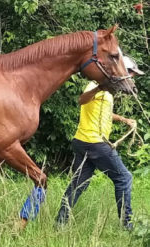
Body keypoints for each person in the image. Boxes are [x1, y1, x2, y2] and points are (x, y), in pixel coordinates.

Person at [55, 55, 144, 230]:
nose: (132, 76)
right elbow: (82, 100)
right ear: (122, 71)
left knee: (79, 184)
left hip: (83, 141)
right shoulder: (97, 86)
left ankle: (60, 222)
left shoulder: (108, 93)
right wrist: (100, 87)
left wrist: (124, 119)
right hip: (95, 143)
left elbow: (104, 112)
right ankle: (128, 225)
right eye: (131, 72)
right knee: (124, 178)